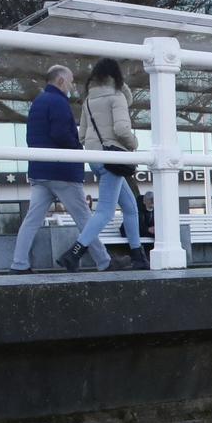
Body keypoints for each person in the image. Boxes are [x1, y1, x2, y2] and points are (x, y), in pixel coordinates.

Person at [9, 65, 96, 272]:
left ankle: (19, 263)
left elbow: (33, 137)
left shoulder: (38, 102)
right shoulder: (59, 102)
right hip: (62, 172)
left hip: (40, 171)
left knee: (32, 220)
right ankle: (104, 261)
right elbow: (61, 134)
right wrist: (78, 150)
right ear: (60, 81)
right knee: (85, 218)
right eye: (71, 80)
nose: (72, 85)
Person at [65, 57, 147, 271]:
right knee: (105, 212)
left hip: (95, 158)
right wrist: (134, 143)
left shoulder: (88, 101)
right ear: (116, 77)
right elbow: (121, 129)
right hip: (113, 158)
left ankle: (138, 255)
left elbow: (82, 135)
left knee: (130, 207)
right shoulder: (116, 97)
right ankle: (74, 253)